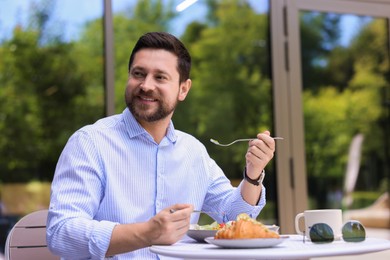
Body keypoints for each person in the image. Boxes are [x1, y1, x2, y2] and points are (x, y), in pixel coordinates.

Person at [46, 32, 276, 259]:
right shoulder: (90, 143)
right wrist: (147, 233)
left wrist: (253, 174)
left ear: (183, 89)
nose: (146, 85)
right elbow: (61, 233)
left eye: (160, 77)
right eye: (138, 74)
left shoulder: (193, 151)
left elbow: (233, 217)